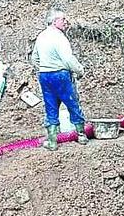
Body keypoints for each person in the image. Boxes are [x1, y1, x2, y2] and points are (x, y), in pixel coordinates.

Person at [31, 8, 87, 150]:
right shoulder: (59, 37)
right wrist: (79, 70)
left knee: (51, 106)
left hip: (45, 75)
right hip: (60, 75)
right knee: (72, 102)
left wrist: (44, 67)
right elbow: (68, 58)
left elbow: (34, 58)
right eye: (63, 19)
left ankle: (52, 141)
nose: (66, 22)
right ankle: (81, 135)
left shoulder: (41, 36)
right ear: (55, 21)